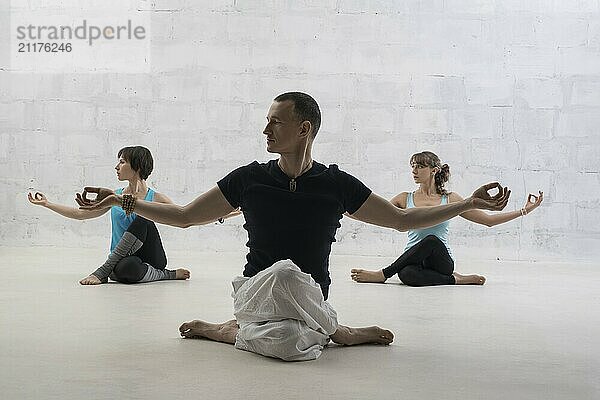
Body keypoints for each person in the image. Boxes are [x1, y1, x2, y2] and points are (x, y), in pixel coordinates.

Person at [78, 92, 511, 361]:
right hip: (257, 289)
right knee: (283, 277)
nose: (265, 129)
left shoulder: (336, 184)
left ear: (304, 129)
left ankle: (234, 332)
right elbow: (187, 216)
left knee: (289, 341)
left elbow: (400, 221)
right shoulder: (249, 178)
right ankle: (329, 330)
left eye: (275, 122)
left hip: (310, 296)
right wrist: (122, 199)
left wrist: (467, 203)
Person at [351, 151, 543, 287]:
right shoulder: (404, 198)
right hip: (412, 260)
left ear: (434, 170)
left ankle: (382, 274)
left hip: (440, 261)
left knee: (431, 240)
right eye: (413, 166)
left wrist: (524, 211)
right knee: (406, 275)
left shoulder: (451, 199)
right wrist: (343, 207)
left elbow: (488, 221)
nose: (414, 170)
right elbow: (377, 214)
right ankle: (457, 279)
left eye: (420, 166)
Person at [28, 146, 192, 285]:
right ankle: (150, 272)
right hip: (122, 260)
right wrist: (47, 204)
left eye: (122, 162)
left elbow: (182, 216)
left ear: (138, 167)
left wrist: (216, 214)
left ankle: (104, 271)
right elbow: (79, 214)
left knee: (143, 216)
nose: (116, 167)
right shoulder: (115, 197)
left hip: (152, 258)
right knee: (128, 270)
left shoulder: (157, 198)